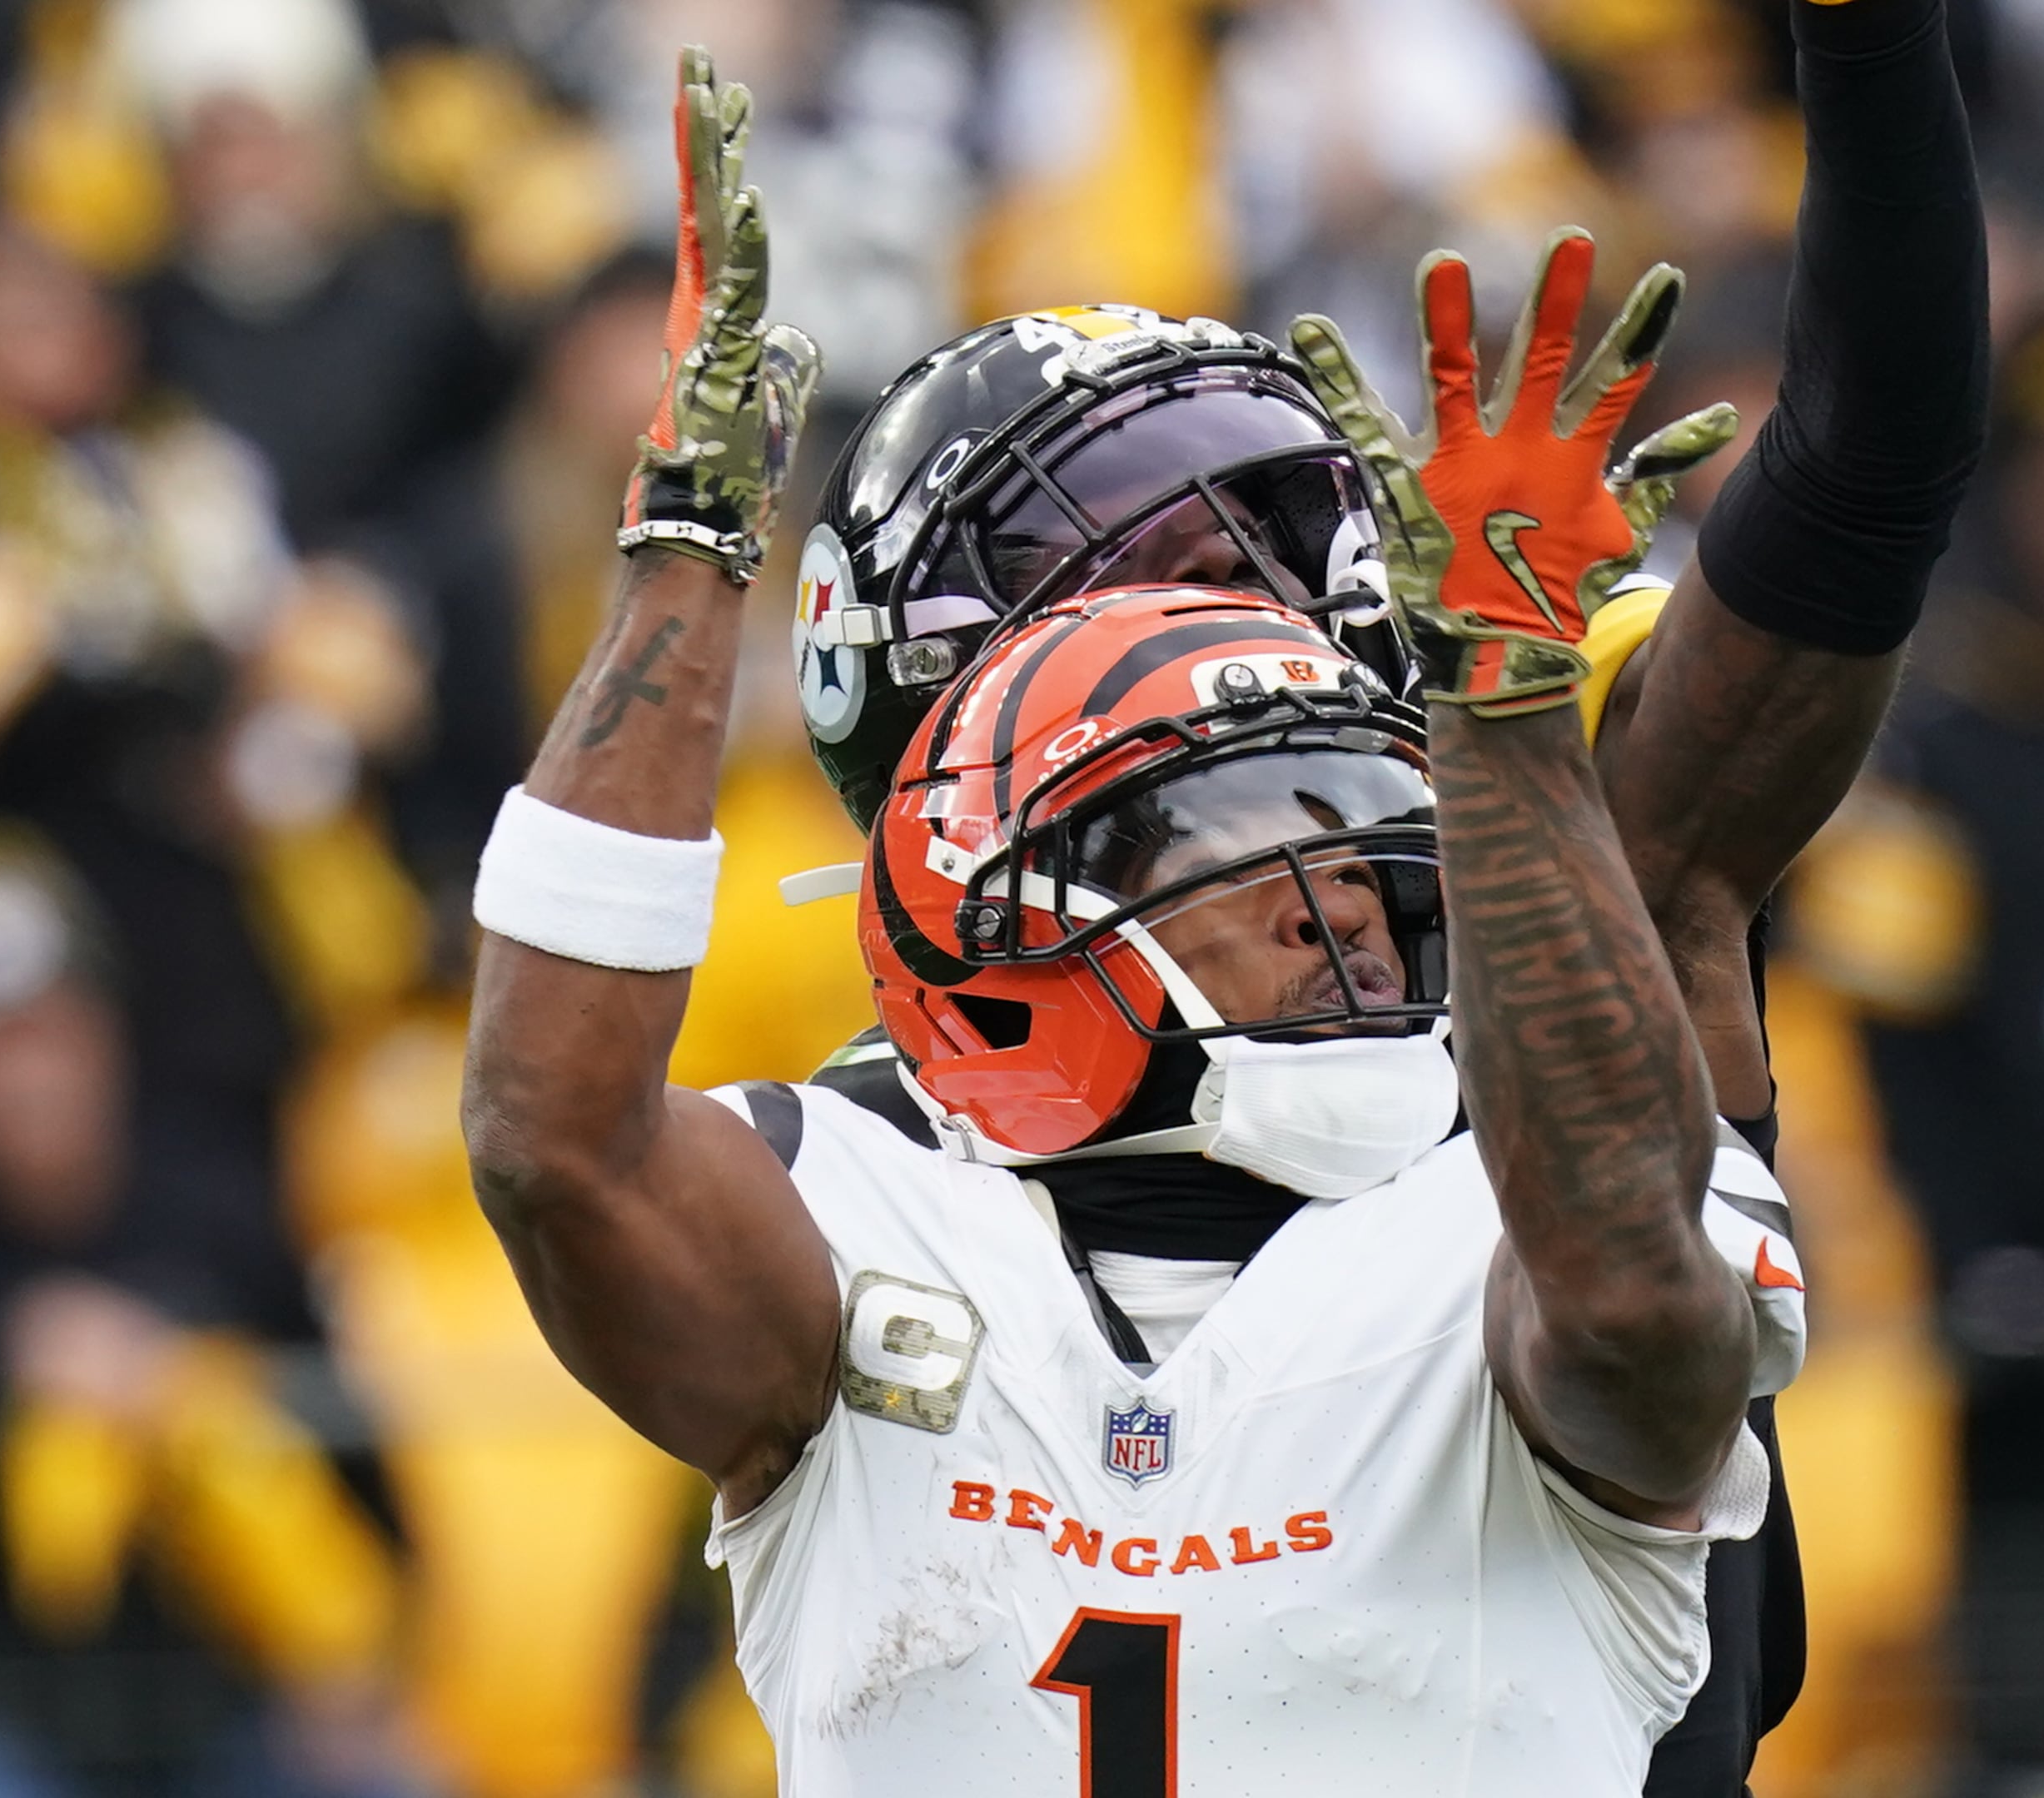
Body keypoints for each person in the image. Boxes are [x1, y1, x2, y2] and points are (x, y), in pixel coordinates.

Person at [461, 49, 1812, 1796]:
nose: (1340, 891)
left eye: (1360, 821)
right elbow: (547, 1143)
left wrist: (1498, 716)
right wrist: (691, 532)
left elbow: (1634, 1297)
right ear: (1008, 910)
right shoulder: (868, 1215)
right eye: (1244, 827)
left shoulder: (1505, 1212)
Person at [782, 2, 1989, 1786]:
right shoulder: (899, 1134)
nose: (1274, 591)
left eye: (1279, 524)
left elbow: (1867, 473)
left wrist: (1869, 44)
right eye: (1177, 552)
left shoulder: (1535, 772)